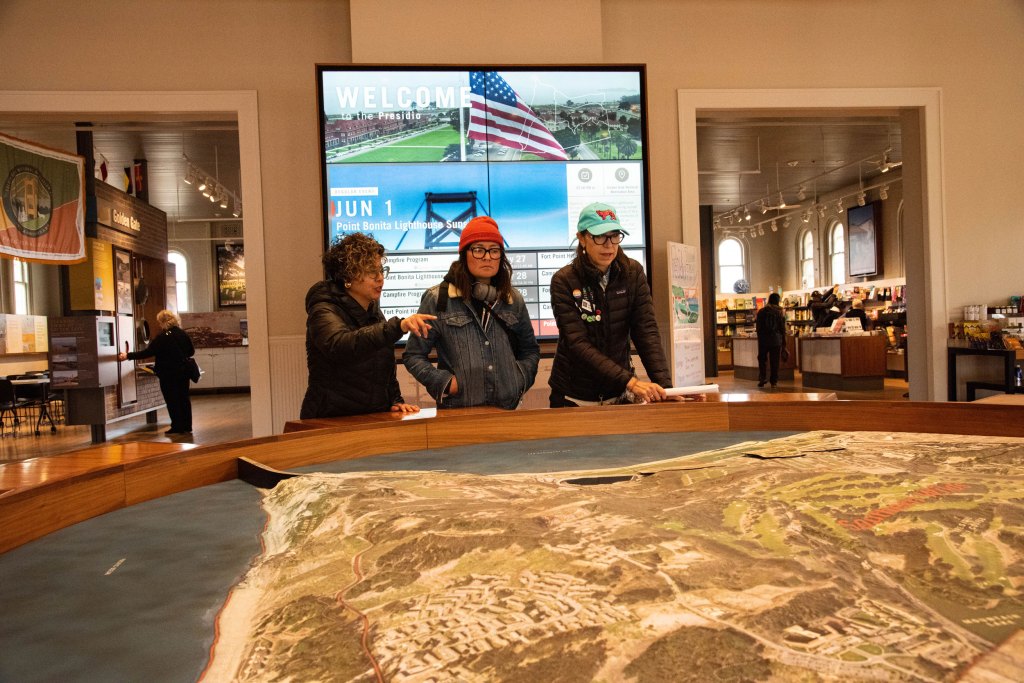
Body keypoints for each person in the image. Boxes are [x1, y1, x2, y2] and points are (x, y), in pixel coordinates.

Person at [404, 216, 540, 409]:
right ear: (464, 254)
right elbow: (413, 355)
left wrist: (519, 379)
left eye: (494, 250)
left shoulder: (513, 299)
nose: (487, 257)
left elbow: (530, 350)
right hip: (458, 410)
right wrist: (445, 383)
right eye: (478, 249)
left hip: (507, 409)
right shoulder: (438, 299)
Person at [548, 202, 673, 406]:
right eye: (600, 237)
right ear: (581, 238)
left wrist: (665, 388)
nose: (609, 245)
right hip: (573, 394)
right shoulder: (564, 280)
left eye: (614, 236)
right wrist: (630, 382)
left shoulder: (633, 273)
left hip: (618, 393)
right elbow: (577, 343)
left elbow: (646, 331)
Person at [300, 232, 435, 419]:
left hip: (371, 417)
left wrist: (395, 401)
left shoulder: (372, 310)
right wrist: (397, 326)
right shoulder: (323, 309)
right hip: (330, 420)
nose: (380, 278)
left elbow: (384, 365)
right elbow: (341, 345)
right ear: (348, 276)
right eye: (372, 271)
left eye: (381, 270)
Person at [118, 309, 195, 435]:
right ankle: (187, 426)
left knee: (172, 399)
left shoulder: (162, 337)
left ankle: (177, 426)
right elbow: (191, 352)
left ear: (162, 322)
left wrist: (128, 356)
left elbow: (148, 353)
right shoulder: (183, 334)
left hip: (168, 374)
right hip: (183, 372)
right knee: (184, 398)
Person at [755, 292, 787, 389]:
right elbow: (782, 329)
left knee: (762, 359)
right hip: (776, 340)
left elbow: (758, 327)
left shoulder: (761, 311)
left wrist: (760, 337)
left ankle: (762, 378)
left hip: (763, 340)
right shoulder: (780, 312)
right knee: (774, 361)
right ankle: (774, 382)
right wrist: (783, 342)